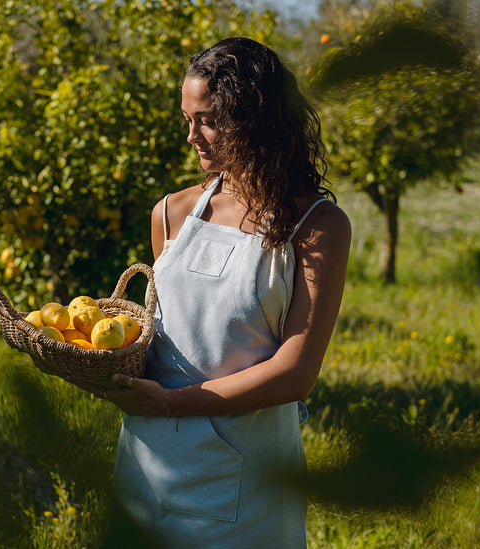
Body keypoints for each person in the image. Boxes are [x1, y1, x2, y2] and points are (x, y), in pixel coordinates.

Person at [96, 37, 352, 548]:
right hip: (150, 462)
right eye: (186, 120)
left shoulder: (316, 225)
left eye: (208, 120)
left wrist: (171, 404)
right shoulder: (171, 212)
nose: (192, 136)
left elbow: (296, 372)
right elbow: (161, 336)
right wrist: (96, 358)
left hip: (249, 479)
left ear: (257, 119)